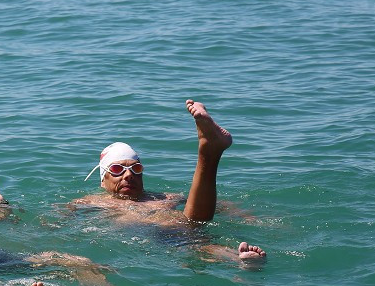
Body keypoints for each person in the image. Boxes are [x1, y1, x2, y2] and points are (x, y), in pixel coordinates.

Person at [70, 100, 266, 265]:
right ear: (103, 181)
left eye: (135, 169)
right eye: (117, 170)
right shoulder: (89, 202)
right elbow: (57, 221)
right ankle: (239, 258)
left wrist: (243, 216)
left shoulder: (164, 197)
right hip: (164, 233)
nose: (128, 175)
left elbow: (214, 204)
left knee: (192, 238)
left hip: (169, 233)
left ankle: (209, 149)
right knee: (198, 243)